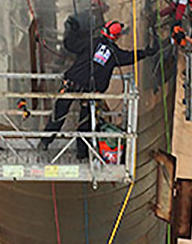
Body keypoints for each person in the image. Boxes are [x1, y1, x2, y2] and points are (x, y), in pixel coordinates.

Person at [42, 20, 158, 158]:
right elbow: (129, 57)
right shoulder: (115, 54)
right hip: (91, 92)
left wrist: (72, 29)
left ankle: (45, 141)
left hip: (72, 84)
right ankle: (82, 153)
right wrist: (146, 52)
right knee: (85, 122)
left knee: (59, 114)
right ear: (117, 37)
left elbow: (70, 45)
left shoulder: (91, 43)